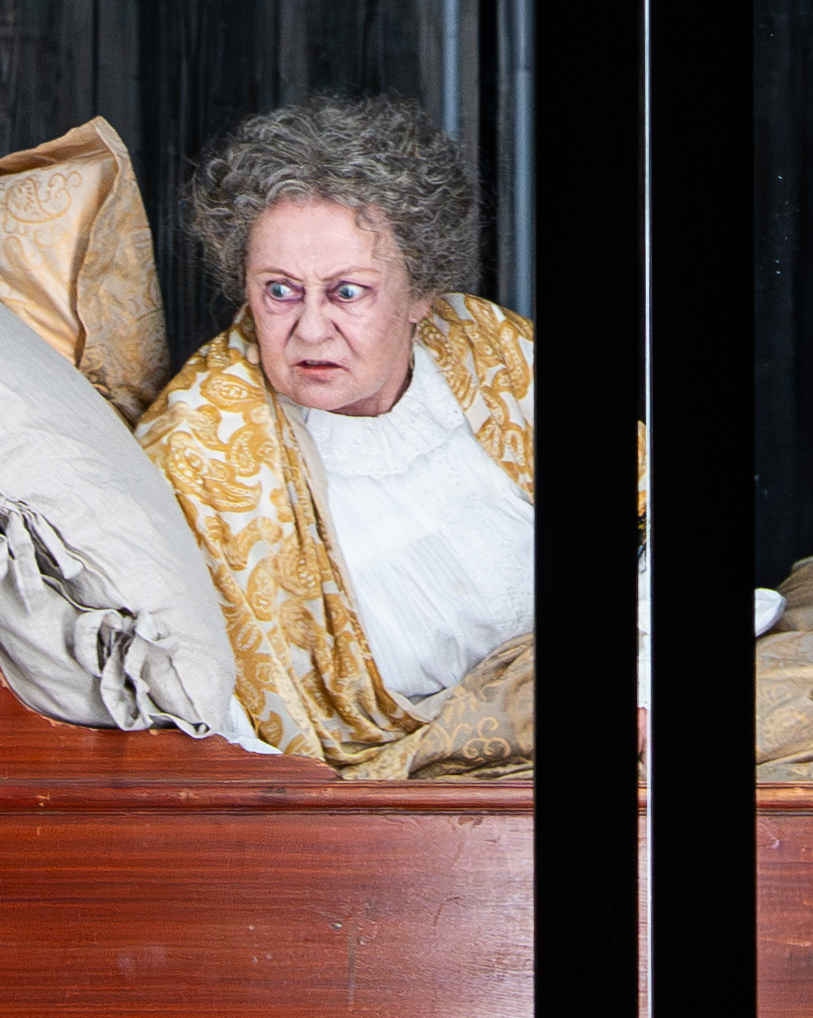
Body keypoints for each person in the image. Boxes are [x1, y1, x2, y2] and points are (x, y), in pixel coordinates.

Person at [136, 94, 546, 772]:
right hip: (384, 794)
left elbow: (642, 530)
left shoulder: (491, 348)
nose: (310, 329)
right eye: (279, 290)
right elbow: (222, 725)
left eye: (347, 291)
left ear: (421, 293)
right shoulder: (197, 451)